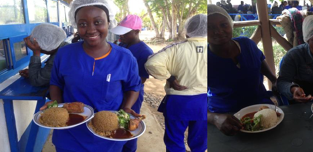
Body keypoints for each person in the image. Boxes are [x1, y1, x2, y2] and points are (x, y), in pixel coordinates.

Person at [40, 0, 142, 151]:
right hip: (70, 133)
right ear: (76, 25)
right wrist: (57, 106)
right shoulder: (64, 54)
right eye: (82, 24)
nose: (90, 29)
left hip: (109, 134)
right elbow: (56, 83)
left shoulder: (125, 57)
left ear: (109, 22)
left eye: (98, 22)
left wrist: (126, 108)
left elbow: (133, 87)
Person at [207, 4, 278, 136]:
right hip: (226, 117)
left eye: (223, 24)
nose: (218, 31)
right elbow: (191, 102)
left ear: (230, 24)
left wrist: (274, 80)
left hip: (260, 106)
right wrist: (215, 118)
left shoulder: (247, 44)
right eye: (209, 27)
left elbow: (260, 62)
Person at [145, 14, 207, 152]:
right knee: (200, 143)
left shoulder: (176, 48)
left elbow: (151, 63)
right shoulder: (214, 49)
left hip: (179, 102)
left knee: (174, 141)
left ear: (188, 28)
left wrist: (170, 78)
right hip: (203, 103)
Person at [109, 14, 153, 152]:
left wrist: (118, 79)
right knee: (115, 122)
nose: (121, 37)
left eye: (125, 33)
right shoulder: (122, 45)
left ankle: (129, 149)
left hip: (132, 94)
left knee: (129, 123)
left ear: (136, 32)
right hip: (116, 92)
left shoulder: (145, 52)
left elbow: (141, 80)